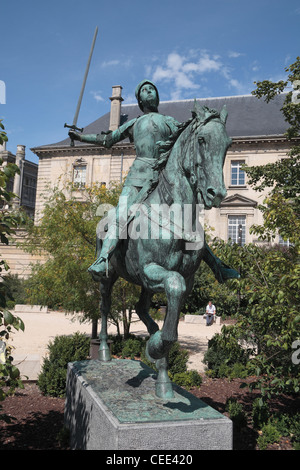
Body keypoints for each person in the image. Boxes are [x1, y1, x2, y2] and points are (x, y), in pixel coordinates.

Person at [69, 79, 239, 282]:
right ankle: (103, 259)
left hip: (163, 179)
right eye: (144, 91)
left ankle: (217, 266)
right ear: (140, 100)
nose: (149, 92)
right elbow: (108, 140)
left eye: (152, 89)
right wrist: (81, 137)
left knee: (188, 222)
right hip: (137, 178)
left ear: (157, 96)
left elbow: (188, 136)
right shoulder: (135, 123)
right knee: (121, 213)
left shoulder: (169, 121)